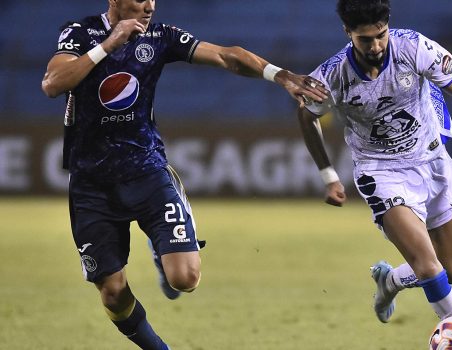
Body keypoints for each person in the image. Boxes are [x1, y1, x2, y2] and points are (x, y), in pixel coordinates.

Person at [41, 1, 327, 349]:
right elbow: (53, 84)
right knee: (113, 294)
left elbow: (226, 55)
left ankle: (165, 237)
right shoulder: (81, 33)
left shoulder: (160, 37)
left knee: (185, 278)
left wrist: (280, 75)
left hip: (146, 172)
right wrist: (108, 45)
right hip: (91, 186)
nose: (149, 5)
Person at [297, 0, 452, 326]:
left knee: (450, 270)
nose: (376, 46)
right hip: (381, 173)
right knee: (427, 265)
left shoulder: (415, 48)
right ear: (347, 32)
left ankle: (390, 281)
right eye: (365, 39)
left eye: (381, 35)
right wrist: (329, 175)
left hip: (432, 160)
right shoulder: (333, 75)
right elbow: (306, 114)